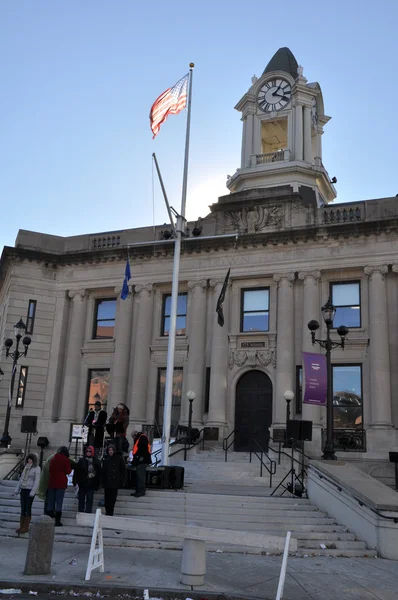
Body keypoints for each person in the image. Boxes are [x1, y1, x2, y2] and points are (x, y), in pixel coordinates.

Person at [14, 453, 41, 534]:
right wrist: (17, 489)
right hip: (23, 489)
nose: (29, 461)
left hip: (30, 490)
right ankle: (21, 526)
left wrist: (33, 491)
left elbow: (37, 481)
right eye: (28, 459)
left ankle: (26, 527)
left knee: (27, 508)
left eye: (31, 459)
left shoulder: (37, 468)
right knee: (23, 508)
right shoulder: (26, 467)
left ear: (34, 460)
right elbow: (21, 479)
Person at [47, 446, 72, 526]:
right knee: (59, 502)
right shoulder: (65, 460)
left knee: (51, 502)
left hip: (52, 482)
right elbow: (68, 471)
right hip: (61, 483)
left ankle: (49, 519)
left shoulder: (53, 459)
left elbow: (50, 470)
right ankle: (57, 521)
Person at [73, 445, 101, 514]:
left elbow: (99, 473)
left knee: (90, 499)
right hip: (82, 483)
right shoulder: (81, 460)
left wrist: (98, 484)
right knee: (81, 499)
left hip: (91, 484)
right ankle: (81, 512)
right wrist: (75, 481)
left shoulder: (96, 461)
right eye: (87, 451)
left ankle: (88, 512)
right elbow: (77, 471)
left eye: (90, 451)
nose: (88, 452)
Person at [102, 443, 126, 516]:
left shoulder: (119, 459)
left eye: (112, 450)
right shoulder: (106, 460)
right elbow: (103, 471)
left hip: (115, 482)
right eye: (109, 450)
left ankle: (110, 512)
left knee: (112, 499)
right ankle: (107, 512)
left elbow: (123, 470)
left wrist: (123, 480)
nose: (111, 451)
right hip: (107, 483)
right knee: (107, 499)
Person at [130, 431, 151, 498]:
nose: (133, 439)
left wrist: (138, 458)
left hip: (142, 461)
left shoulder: (142, 438)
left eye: (133, 437)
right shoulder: (140, 438)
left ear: (135, 435)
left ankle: (141, 491)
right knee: (138, 476)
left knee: (140, 476)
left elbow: (142, 450)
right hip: (140, 460)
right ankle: (138, 490)